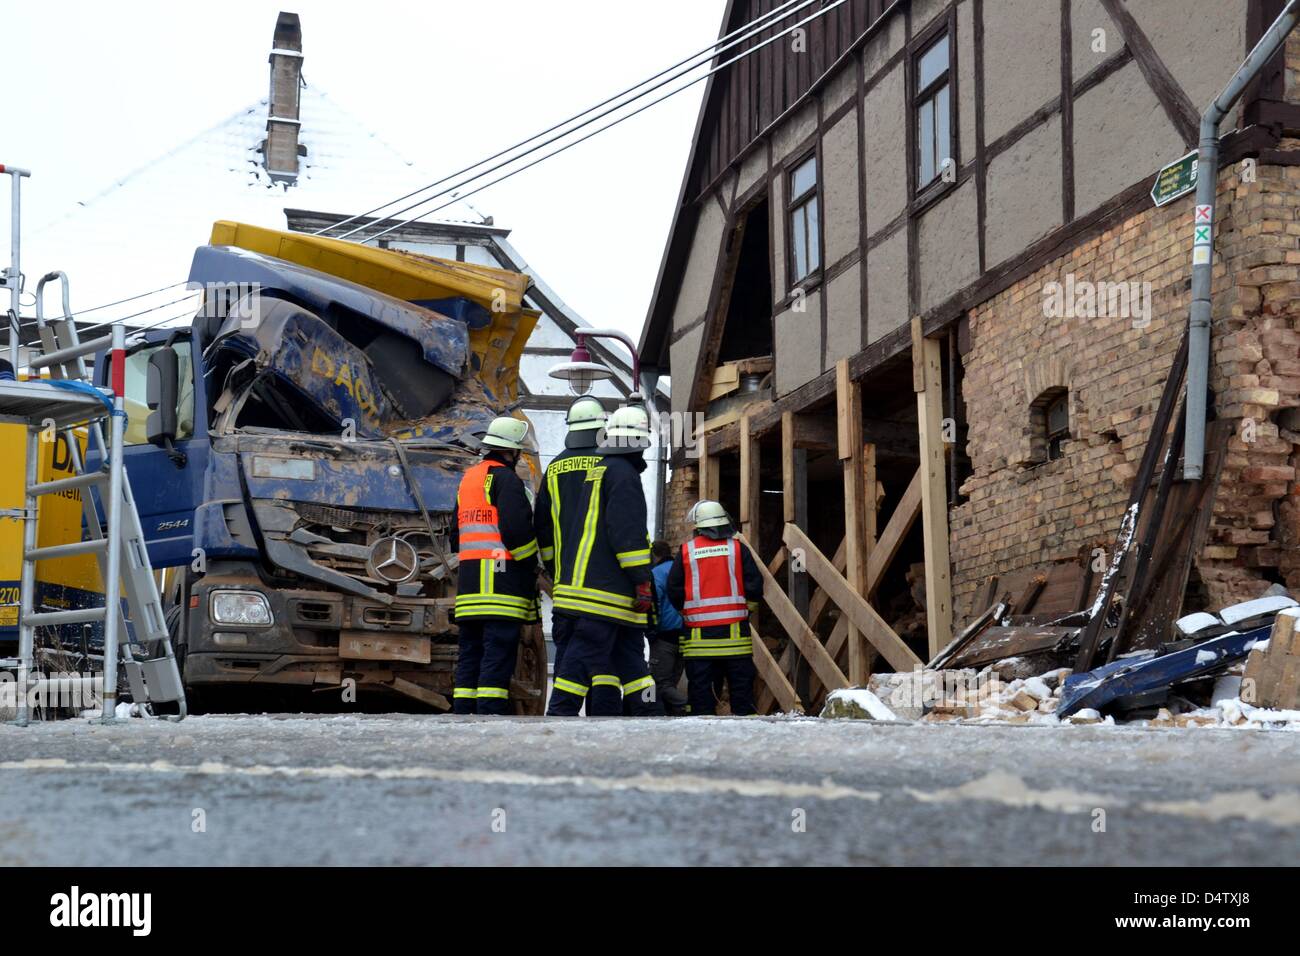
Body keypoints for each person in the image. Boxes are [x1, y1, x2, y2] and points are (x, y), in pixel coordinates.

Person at [537, 401, 656, 716]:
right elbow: (627, 536)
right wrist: (642, 581)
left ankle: (650, 715)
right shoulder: (623, 475)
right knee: (579, 663)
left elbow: (548, 529)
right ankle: (560, 714)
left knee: (630, 660)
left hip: (578, 585)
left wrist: (554, 571)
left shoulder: (599, 469)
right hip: (607, 593)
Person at [449, 415, 539, 715]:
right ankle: (489, 715)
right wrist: (529, 562)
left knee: (470, 654)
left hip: (470, 587)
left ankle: (462, 712)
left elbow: (454, 534)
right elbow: (515, 530)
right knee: (497, 654)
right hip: (501, 588)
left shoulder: (469, 478)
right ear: (511, 451)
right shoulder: (507, 480)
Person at [666, 499, 762, 716]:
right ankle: (748, 741)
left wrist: (686, 611)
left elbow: (673, 589)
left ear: (698, 526)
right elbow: (755, 586)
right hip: (736, 639)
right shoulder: (737, 549)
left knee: (701, 697)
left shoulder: (686, 551)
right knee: (742, 695)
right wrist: (747, 611)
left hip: (699, 642)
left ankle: (701, 741)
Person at [649, 540, 688, 715]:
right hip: (685, 633)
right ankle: (671, 714)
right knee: (672, 681)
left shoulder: (656, 573)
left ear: (654, 555)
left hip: (665, 635)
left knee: (661, 682)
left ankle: (689, 705)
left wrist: (651, 630)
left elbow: (654, 603)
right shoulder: (682, 569)